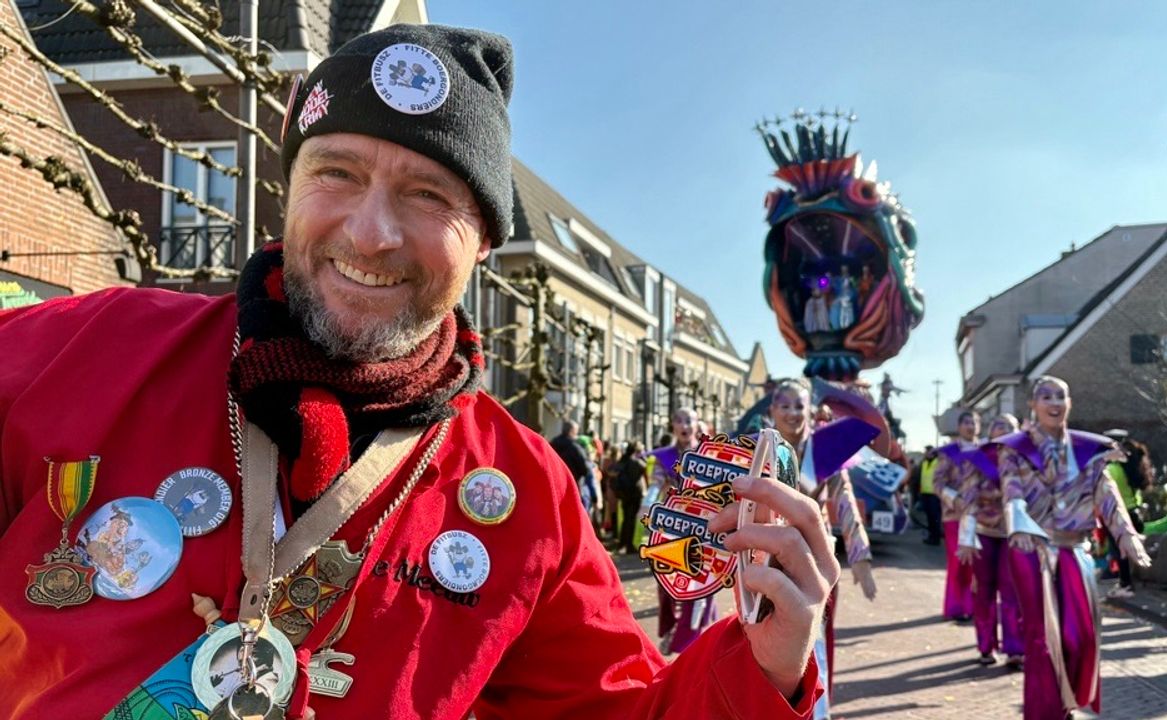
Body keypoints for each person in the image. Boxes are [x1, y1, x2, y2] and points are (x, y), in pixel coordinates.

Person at [0, 25, 836, 719]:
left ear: (481, 242)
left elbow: (619, 709)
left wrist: (763, 669)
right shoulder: (80, 352)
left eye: (428, 194)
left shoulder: (525, 490)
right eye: (337, 173)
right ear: (288, 189)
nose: (370, 233)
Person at [998, 376, 1149, 720]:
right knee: (1043, 638)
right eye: (1046, 396)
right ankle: (1044, 713)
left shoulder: (1088, 450)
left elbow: (1107, 495)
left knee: (1081, 637)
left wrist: (1127, 537)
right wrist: (1018, 529)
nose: (1054, 402)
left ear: (1070, 403)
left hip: (1075, 551)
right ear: (1033, 405)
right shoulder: (1016, 448)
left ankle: (1067, 701)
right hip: (1031, 550)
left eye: (1061, 396)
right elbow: (1012, 492)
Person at [767, 378, 876, 720]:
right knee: (769, 640)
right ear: (772, 410)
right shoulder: (760, 451)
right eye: (784, 405)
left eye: (799, 405)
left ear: (811, 411)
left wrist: (860, 556)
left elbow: (844, 501)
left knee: (817, 638)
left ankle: (817, 707)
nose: (792, 412)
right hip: (769, 560)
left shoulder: (824, 451)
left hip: (818, 562)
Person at [953, 412, 1024, 668]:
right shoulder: (978, 457)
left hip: (1013, 534)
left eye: (1009, 427)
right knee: (983, 591)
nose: (1003, 431)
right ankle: (986, 646)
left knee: (1012, 590)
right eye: (999, 426)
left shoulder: (1024, 457)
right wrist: (966, 537)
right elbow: (969, 497)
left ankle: (1015, 649)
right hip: (984, 533)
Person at [646, 407, 718, 655]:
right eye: (678, 419)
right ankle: (673, 628)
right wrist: (648, 501)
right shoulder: (665, 457)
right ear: (673, 426)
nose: (684, 424)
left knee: (698, 588)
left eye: (689, 420)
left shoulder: (708, 453)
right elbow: (656, 483)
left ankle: (689, 641)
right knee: (666, 584)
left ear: (697, 424)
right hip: (672, 529)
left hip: (703, 529)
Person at [931, 413, 977, 623]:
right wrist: (954, 498)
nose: (971, 426)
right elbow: (937, 482)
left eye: (975, 422)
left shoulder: (984, 451)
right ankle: (955, 606)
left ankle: (973, 605)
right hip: (955, 516)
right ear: (959, 427)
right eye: (967, 422)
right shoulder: (949, 453)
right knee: (958, 562)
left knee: (976, 565)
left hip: (981, 517)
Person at [1101, 432, 1152, 600]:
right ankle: (1128, 583)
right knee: (1130, 552)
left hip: (1119, 514)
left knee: (1120, 552)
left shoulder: (1112, 469)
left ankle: (1126, 585)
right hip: (1133, 512)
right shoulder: (1132, 467)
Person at [611, 443, 648, 555]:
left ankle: (622, 543)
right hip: (635, 493)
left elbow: (612, 470)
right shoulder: (636, 461)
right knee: (631, 520)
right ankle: (629, 545)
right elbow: (645, 467)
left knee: (626, 518)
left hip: (624, 493)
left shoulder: (623, 460)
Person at [917, 446, 942, 545]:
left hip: (934, 494)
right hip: (925, 493)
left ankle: (936, 538)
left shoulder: (938, 463)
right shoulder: (924, 463)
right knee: (929, 517)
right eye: (926, 452)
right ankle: (931, 536)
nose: (926, 454)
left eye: (928, 452)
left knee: (935, 517)